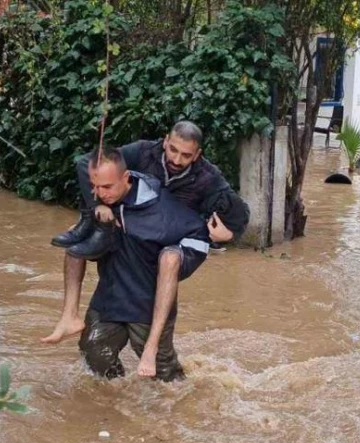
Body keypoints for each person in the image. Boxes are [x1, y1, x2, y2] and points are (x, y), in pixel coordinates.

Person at [41, 122, 249, 377]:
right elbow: (90, 164)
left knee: (168, 260)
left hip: (179, 238)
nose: (176, 159)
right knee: (95, 348)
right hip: (137, 230)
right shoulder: (142, 152)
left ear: (197, 155)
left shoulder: (208, 176)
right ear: (164, 142)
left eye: (185, 155)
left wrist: (229, 234)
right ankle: (77, 327)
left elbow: (239, 211)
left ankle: (153, 353)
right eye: (173, 150)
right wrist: (96, 206)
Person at [73, 147, 210, 382]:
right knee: (94, 353)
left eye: (107, 187)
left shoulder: (162, 209)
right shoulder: (99, 204)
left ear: (125, 179)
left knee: (166, 379)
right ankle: (116, 400)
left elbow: (198, 236)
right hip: (109, 299)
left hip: (147, 305)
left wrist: (180, 255)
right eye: (95, 187)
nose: (99, 193)